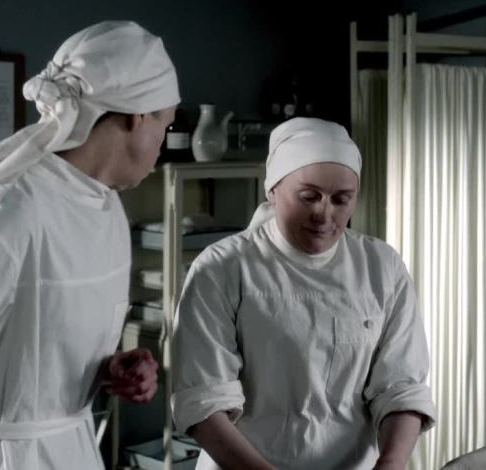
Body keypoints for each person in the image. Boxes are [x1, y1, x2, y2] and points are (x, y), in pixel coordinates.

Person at [0, 21, 180, 469]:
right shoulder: (8, 215)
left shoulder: (106, 207)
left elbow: (33, 346)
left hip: (71, 451)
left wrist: (109, 369)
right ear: (136, 117)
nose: (163, 143)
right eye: (167, 123)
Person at [172, 117, 437, 469]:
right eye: (309, 197)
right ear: (272, 189)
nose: (324, 215)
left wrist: (391, 461)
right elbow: (204, 401)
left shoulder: (381, 267)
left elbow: (401, 387)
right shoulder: (223, 268)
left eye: (341, 199)